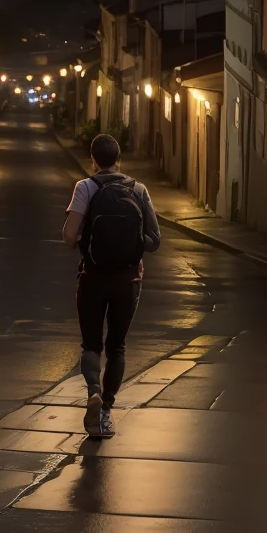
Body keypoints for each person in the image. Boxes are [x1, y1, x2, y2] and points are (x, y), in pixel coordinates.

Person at [61, 132, 160, 439]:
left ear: (93, 160)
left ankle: (93, 390)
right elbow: (155, 241)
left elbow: (68, 236)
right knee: (116, 346)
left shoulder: (85, 187)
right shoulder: (139, 189)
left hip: (92, 277)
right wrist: (131, 241)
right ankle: (105, 411)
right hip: (128, 281)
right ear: (120, 159)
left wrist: (89, 237)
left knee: (91, 344)